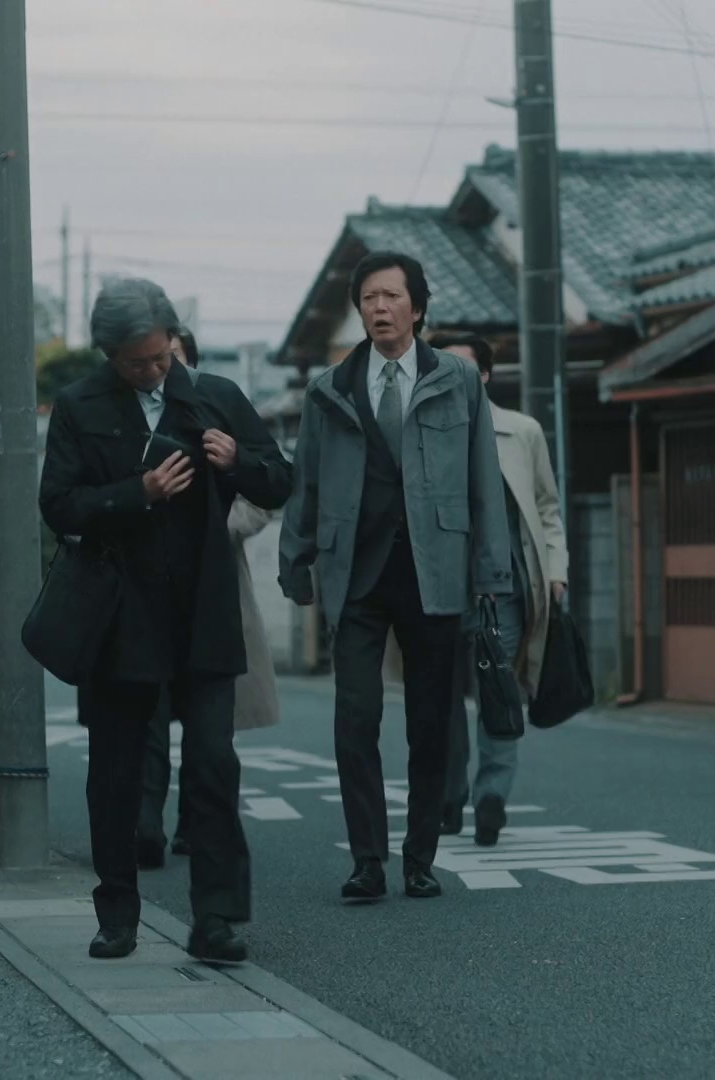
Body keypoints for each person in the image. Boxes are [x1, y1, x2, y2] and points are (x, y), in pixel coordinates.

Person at [41, 278, 291, 963]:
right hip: (119, 617)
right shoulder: (79, 406)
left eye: (160, 357)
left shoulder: (214, 397)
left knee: (213, 765)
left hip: (204, 611)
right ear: (109, 354)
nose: (153, 371)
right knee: (116, 773)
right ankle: (117, 914)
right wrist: (138, 493)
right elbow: (58, 504)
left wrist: (239, 462)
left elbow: (279, 478)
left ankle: (217, 917)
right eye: (137, 363)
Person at [279, 251, 511, 903]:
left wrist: (491, 572)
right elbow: (307, 480)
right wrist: (294, 559)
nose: (379, 308)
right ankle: (366, 860)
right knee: (354, 718)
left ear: (418, 307)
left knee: (430, 721)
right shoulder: (329, 388)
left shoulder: (457, 381)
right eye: (368, 299)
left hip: (435, 569)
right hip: (355, 571)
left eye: (391, 296)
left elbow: (484, 481)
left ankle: (420, 857)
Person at [136, 330, 283, 869]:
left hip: (214, 585)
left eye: (171, 358)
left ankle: (198, 825)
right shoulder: (123, 412)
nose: (160, 368)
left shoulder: (218, 406)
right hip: (144, 590)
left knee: (210, 728)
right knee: (148, 718)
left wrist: (219, 521)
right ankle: (145, 826)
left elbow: (269, 487)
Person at [428, 333, 567, 847]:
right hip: (439, 586)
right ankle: (447, 796)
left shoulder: (521, 431)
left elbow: (547, 506)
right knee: (440, 699)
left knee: (498, 693)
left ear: (484, 375)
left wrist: (556, 569)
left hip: (502, 587)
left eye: (463, 368)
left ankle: (491, 797)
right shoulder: (418, 430)